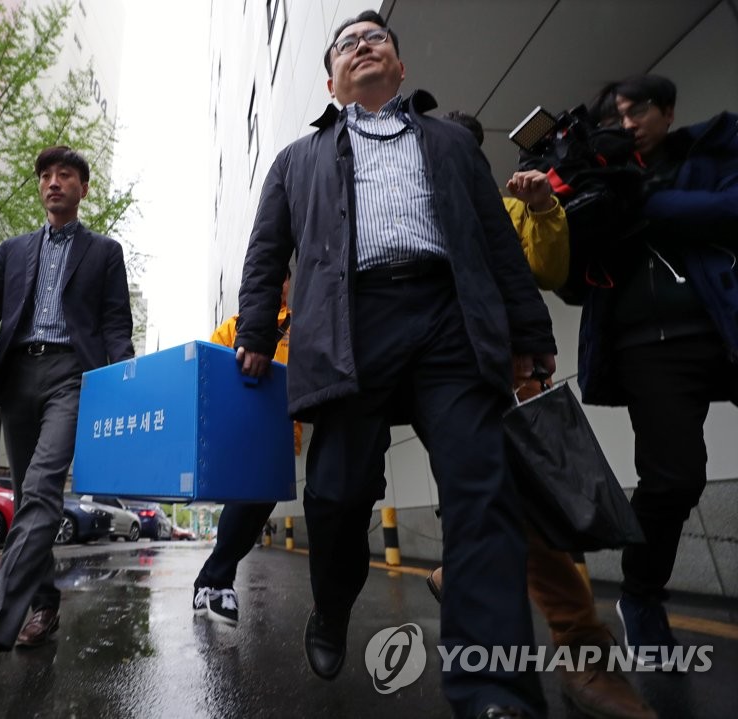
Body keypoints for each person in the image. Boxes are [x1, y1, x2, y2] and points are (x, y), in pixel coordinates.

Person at [234, 10, 556, 719]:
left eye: (376, 39)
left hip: (449, 318)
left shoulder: (450, 142)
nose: (363, 47)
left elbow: (497, 241)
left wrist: (529, 332)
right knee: (336, 495)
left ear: (401, 67)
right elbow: (265, 255)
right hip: (349, 323)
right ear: (331, 81)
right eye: (347, 44)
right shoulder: (296, 159)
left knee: (483, 491)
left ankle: (495, 691)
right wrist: (255, 331)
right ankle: (331, 605)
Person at [427, 112, 655, 719]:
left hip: (512, 373)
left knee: (541, 501)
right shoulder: (401, 209)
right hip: (447, 382)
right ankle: (570, 648)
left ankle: (577, 649)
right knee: (504, 504)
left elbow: (548, 270)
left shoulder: (502, 207)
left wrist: (545, 209)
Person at [0, 145, 134, 690]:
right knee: (26, 496)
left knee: (40, 490)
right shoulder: (12, 250)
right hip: (17, 377)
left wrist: (125, 383)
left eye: (65, 175)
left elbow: (115, 325)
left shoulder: (104, 252)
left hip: (72, 376)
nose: (53, 182)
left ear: (83, 188)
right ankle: (45, 602)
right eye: (46, 176)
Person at [578, 75, 738, 668]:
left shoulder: (710, 153)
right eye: (614, 118)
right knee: (673, 480)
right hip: (649, 347)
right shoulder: (596, 177)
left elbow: (730, 209)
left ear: (668, 111)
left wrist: (642, 201)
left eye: (637, 111)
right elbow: (570, 272)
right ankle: (641, 595)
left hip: (724, 324)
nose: (626, 125)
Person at [192, 272, 300, 625]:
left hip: (280, 433)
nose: (279, 284)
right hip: (241, 432)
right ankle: (219, 582)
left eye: (283, 278)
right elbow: (209, 371)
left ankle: (208, 578)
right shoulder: (233, 327)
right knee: (245, 503)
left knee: (256, 512)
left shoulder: (300, 325)